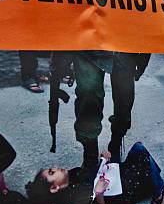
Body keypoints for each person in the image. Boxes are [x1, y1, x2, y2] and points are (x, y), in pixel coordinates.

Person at [49, 51, 150, 179]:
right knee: (88, 94)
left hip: (125, 44)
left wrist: (143, 58)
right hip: (88, 46)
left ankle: (115, 146)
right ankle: (90, 153)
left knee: (124, 99)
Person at [25, 142, 164, 204]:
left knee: (138, 148)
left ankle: (156, 184)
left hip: (118, 174)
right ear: (54, 188)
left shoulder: (73, 173)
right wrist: (99, 193)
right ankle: (158, 198)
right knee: (145, 161)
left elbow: (93, 173)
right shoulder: (72, 200)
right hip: (123, 191)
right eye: (52, 172)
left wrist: (103, 159)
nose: (56, 167)